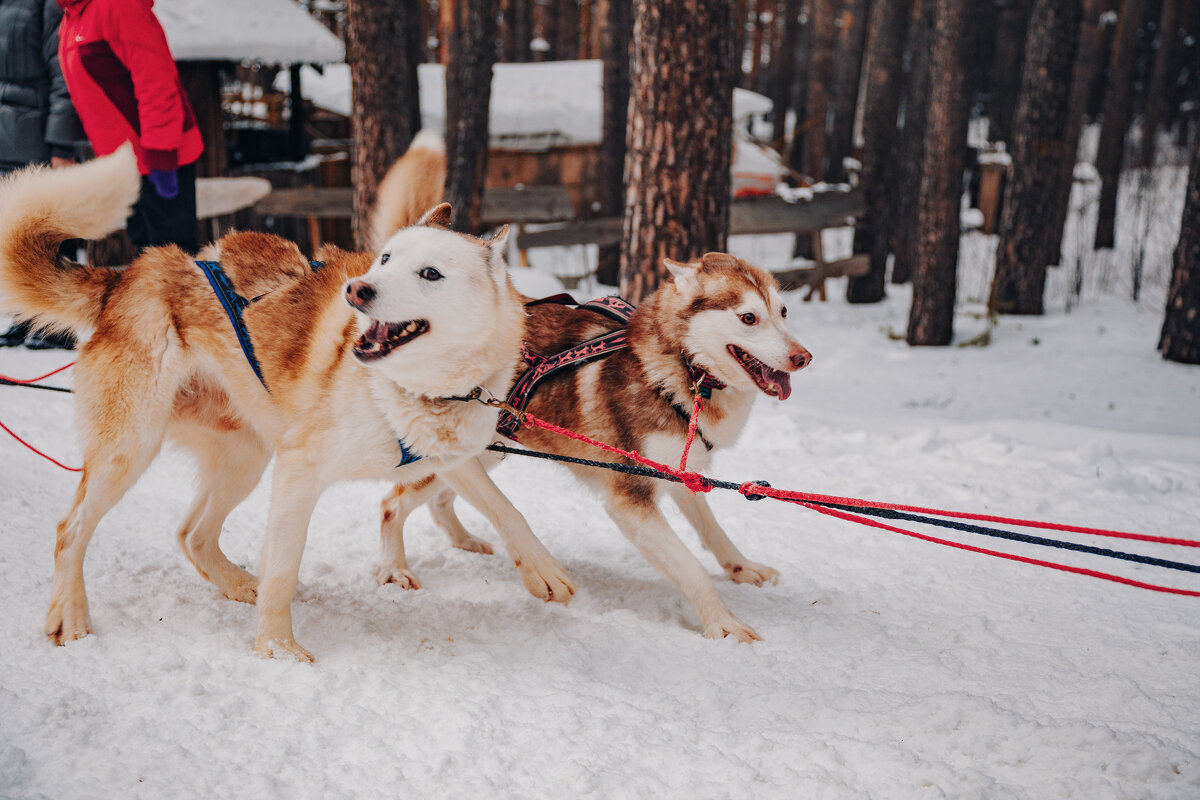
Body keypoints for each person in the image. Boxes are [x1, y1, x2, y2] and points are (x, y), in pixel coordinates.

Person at [56, 0, 203, 254]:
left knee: (175, 265)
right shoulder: (71, 17)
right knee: (147, 260)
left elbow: (156, 80)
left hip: (160, 160)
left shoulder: (118, 5)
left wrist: (161, 155)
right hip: (128, 164)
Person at [0, 0, 84, 349]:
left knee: (49, 229)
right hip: (5, 137)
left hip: (38, 138)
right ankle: (26, 314)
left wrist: (63, 146)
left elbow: (65, 73)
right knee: (13, 232)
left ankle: (59, 322)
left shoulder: (46, 5)